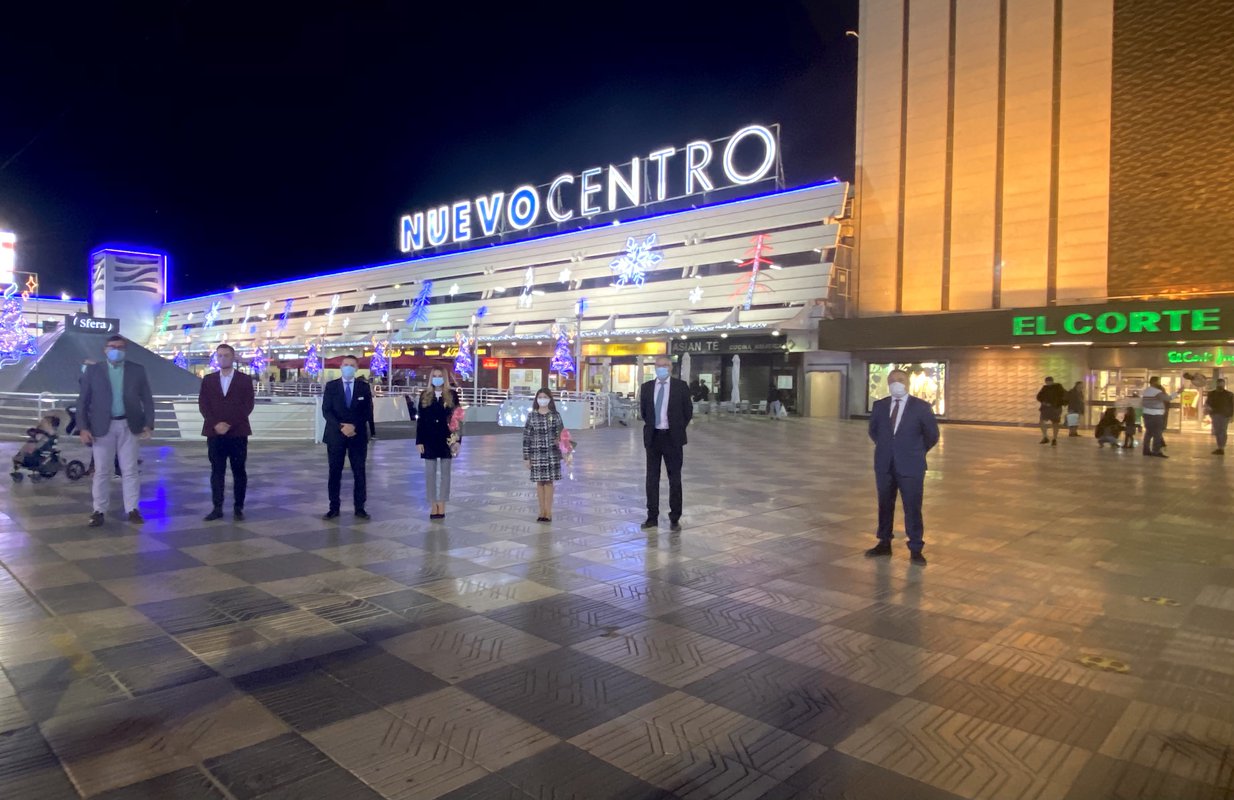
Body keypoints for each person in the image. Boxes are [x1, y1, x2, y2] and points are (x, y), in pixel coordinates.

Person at [77, 335, 155, 527]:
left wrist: (149, 423)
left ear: (125, 350)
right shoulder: (94, 371)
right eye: (112, 346)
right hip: (102, 427)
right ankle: (99, 510)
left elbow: (147, 398)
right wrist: (83, 428)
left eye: (120, 347)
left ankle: (132, 509)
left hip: (130, 424)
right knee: (102, 470)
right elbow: (83, 401)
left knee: (130, 470)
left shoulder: (137, 370)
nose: (116, 350)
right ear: (105, 349)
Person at [866, 369, 939, 566]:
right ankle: (884, 542)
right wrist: (888, 448)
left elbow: (932, 435)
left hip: (911, 466)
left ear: (907, 383)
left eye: (900, 380)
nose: (896, 383)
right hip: (885, 464)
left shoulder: (921, 407)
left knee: (912, 507)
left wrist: (914, 451)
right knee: (885, 504)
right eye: (891, 380)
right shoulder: (880, 406)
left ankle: (916, 547)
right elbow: (874, 432)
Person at [198, 344, 255, 521]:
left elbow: (247, 405)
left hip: (237, 432)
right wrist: (216, 424)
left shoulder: (244, 380)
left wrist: (229, 424)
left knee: (239, 471)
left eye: (226, 355)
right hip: (215, 433)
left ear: (233, 357)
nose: (222, 358)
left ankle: (239, 507)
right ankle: (217, 507)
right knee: (217, 471)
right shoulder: (208, 380)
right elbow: (204, 405)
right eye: (220, 356)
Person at [640, 354, 692, 532]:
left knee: (674, 478)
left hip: (673, 438)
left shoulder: (680, 387)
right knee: (651, 478)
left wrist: (676, 428)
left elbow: (688, 412)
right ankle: (652, 516)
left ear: (670, 368)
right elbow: (645, 413)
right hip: (653, 438)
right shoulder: (647, 387)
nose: (661, 368)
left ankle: (675, 515)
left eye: (664, 365)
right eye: (658, 365)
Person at [321, 355, 373, 519]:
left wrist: (353, 426)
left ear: (357, 368)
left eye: (351, 365)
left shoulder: (363, 387)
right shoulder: (331, 386)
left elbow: (367, 411)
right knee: (334, 471)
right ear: (341, 367)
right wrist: (341, 426)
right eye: (345, 365)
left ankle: (360, 507)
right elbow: (326, 410)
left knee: (359, 471)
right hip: (336, 435)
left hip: (357, 435)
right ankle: (333, 507)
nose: (348, 367)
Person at [415, 367, 460, 520]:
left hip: (447, 439)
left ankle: (442, 503)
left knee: (445, 474)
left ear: (445, 378)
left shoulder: (452, 395)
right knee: (430, 473)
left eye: (440, 376)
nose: (437, 379)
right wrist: (419, 441)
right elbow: (420, 420)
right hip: (428, 438)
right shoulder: (425, 395)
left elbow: (457, 419)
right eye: (434, 376)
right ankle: (433, 503)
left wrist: (457, 441)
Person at [523, 388, 566, 522]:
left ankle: (548, 512)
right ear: (536, 399)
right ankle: (541, 511)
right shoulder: (532, 416)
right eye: (540, 397)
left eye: (545, 397)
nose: (542, 399)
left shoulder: (555, 415)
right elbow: (526, 437)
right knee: (539, 483)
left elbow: (563, 434)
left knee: (548, 483)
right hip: (536, 454)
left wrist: (565, 451)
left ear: (550, 399)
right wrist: (526, 457)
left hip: (551, 453)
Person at [1140, 376, 1175, 458]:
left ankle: (1146, 450)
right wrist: (1178, 392)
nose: (1159, 383)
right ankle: (1156, 451)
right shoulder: (1156, 392)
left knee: (1148, 433)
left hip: (1147, 414)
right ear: (1154, 382)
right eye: (1158, 381)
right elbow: (1168, 398)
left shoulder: (1146, 391)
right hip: (1156, 415)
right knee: (1157, 434)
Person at [1204, 377, 1232, 456]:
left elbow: (1232, 405)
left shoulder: (1229, 394)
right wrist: (1207, 409)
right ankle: (1220, 447)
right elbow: (1207, 403)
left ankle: (1221, 447)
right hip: (1215, 414)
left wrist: (1232, 416)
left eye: (1222, 384)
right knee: (1217, 431)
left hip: (1225, 415)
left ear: (1224, 384)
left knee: (1222, 431)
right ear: (1217, 384)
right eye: (1219, 384)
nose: (1221, 385)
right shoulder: (1212, 394)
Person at [1036, 376, 1067, 445]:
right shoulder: (1045, 388)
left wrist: (1058, 404)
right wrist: (1044, 402)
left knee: (1055, 423)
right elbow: (1039, 396)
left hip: (1055, 408)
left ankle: (1054, 438)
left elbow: (1063, 396)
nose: (1048, 383)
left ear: (1052, 381)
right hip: (1047, 408)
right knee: (1042, 422)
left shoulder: (1058, 387)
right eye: (1047, 382)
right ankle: (1046, 437)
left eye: (1049, 381)